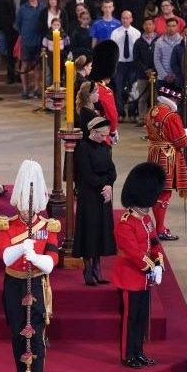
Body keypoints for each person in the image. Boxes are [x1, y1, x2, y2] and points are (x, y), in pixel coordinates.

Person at [0, 159, 59, 372]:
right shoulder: (7, 225)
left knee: (38, 337)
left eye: (29, 207)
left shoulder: (48, 226)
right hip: (14, 285)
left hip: (38, 285)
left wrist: (36, 256)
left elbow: (51, 262)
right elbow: (3, 256)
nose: (26, 211)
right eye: (22, 206)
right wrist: (23, 247)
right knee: (17, 335)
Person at [113, 162, 166, 368]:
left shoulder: (145, 219)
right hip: (130, 277)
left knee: (141, 319)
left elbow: (154, 243)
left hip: (144, 279)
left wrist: (159, 262)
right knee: (130, 320)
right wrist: (152, 267)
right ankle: (128, 355)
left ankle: (139, 352)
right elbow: (134, 253)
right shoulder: (125, 222)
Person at [72, 118, 117, 285]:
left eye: (107, 134)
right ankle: (88, 269)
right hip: (89, 195)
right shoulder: (82, 148)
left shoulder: (105, 147)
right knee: (89, 230)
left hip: (103, 194)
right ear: (94, 132)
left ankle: (98, 268)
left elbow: (112, 170)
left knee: (101, 230)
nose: (105, 138)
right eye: (103, 134)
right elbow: (86, 173)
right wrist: (103, 185)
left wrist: (109, 185)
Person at [145, 90, 187, 240]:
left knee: (156, 191)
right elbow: (181, 141)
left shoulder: (151, 111)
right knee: (164, 193)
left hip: (153, 153)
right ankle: (160, 228)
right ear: (173, 100)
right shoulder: (171, 116)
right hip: (167, 156)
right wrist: (186, 134)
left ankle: (159, 227)